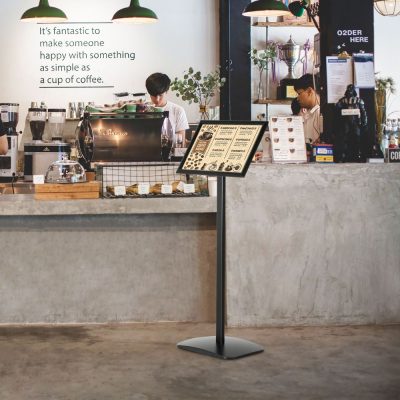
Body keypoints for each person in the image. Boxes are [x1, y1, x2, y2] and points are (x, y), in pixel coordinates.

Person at [145, 73, 189, 157]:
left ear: (167, 91)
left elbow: (181, 144)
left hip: (170, 159)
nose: (157, 99)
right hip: (147, 157)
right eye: (153, 96)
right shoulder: (144, 109)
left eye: (160, 95)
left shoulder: (178, 110)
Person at [294, 73, 321, 146]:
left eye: (299, 93)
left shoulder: (321, 115)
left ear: (309, 91)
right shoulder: (306, 113)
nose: (297, 98)